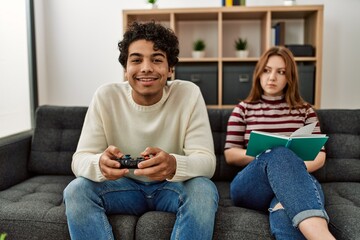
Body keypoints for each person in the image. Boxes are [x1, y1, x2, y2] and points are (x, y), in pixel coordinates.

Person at [63, 21, 218, 240]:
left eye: (157, 59)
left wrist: (173, 165)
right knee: (76, 190)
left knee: (203, 189)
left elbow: (207, 162)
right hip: (122, 188)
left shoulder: (189, 94)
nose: (146, 68)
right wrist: (99, 164)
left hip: (171, 187)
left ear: (170, 68)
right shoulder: (106, 96)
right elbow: (79, 160)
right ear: (125, 69)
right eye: (136, 60)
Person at [224, 46, 335, 240]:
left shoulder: (305, 111)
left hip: (296, 181)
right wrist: (270, 159)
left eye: (281, 72)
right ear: (259, 73)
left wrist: (290, 171)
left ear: (289, 77)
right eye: (267, 70)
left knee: (286, 204)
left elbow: (320, 156)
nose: (272, 77)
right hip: (251, 186)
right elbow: (230, 154)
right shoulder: (243, 109)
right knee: (279, 154)